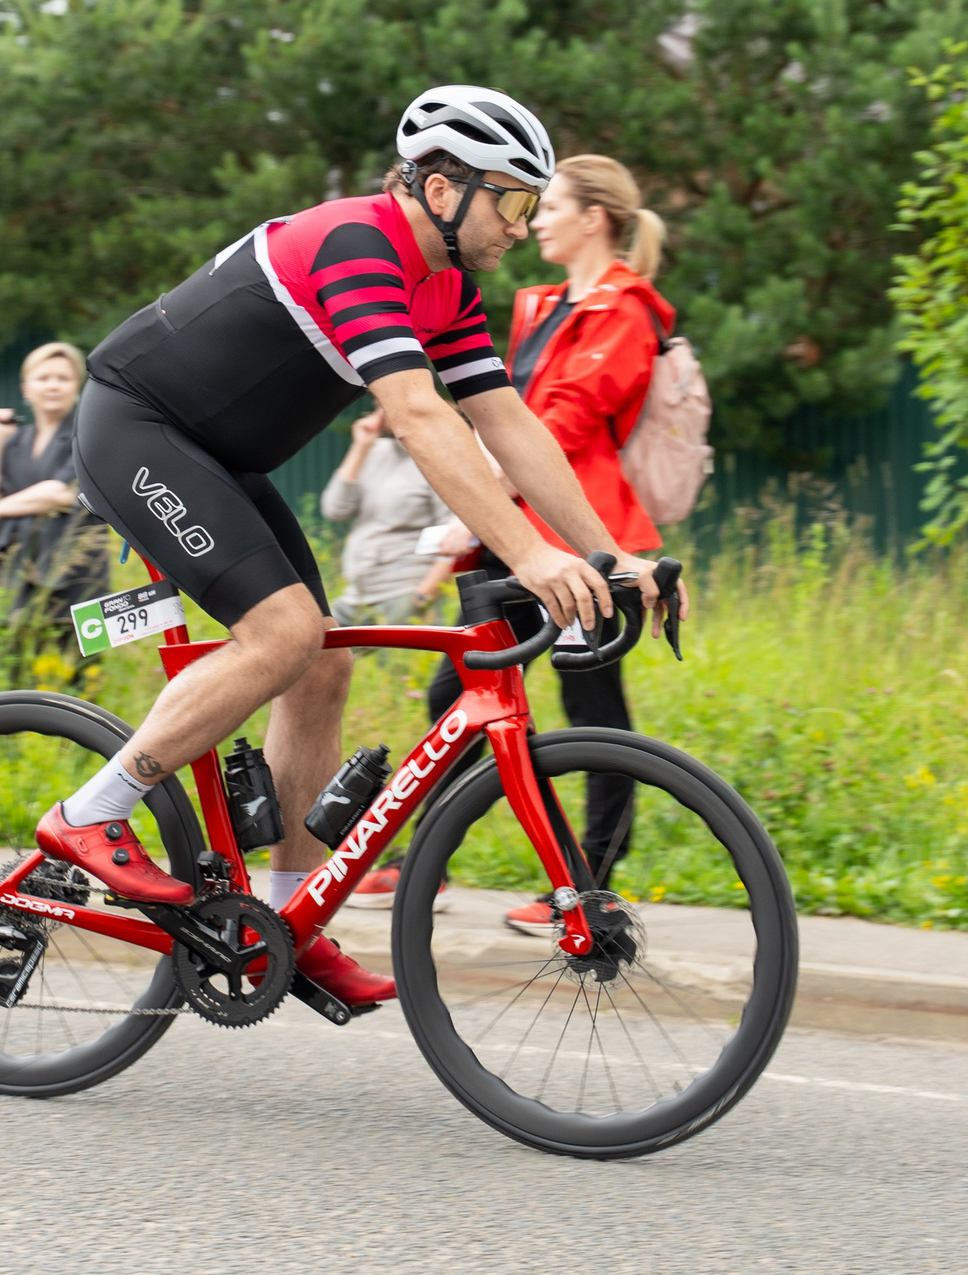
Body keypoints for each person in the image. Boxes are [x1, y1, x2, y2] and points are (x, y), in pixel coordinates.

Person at [44, 84, 675, 1009]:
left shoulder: (448, 287)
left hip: (220, 458)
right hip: (136, 427)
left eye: (533, 205)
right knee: (285, 634)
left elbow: (509, 423)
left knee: (320, 665)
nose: (520, 223)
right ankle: (88, 816)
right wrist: (534, 559)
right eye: (509, 199)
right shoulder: (358, 242)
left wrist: (607, 553)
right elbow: (419, 416)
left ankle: (291, 924)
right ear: (439, 184)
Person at [358, 154, 676, 929]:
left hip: (581, 538)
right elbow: (506, 408)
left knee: (593, 710)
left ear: (594, 218)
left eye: (553, 205)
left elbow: (560, 427)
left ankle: (590, 882)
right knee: (458, 692)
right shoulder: (539, 304)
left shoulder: (626, 311)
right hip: (512, 538)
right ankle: (421, 863)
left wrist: (471, 501)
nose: (534, 221)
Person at [0, 341, 111, 679]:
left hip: (79, 585)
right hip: (9, 586)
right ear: (25, 388)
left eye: (63, 377)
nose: (53, 385)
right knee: (7, 686)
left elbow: (58, 493)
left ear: (77, 387)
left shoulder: (89, 434)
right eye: (43, 378)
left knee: (82, 684)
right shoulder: (13, 441)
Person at [319, 402, 455, 628]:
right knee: (317, 653)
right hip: (357, 597)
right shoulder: (375, 451)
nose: (381, 412)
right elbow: (335, 509)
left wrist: (421, 597)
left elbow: (453, 537)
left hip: (403, 594)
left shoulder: (438, 460)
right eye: (378, 405)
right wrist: (360, 447)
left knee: (394, 664)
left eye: (387, 402)